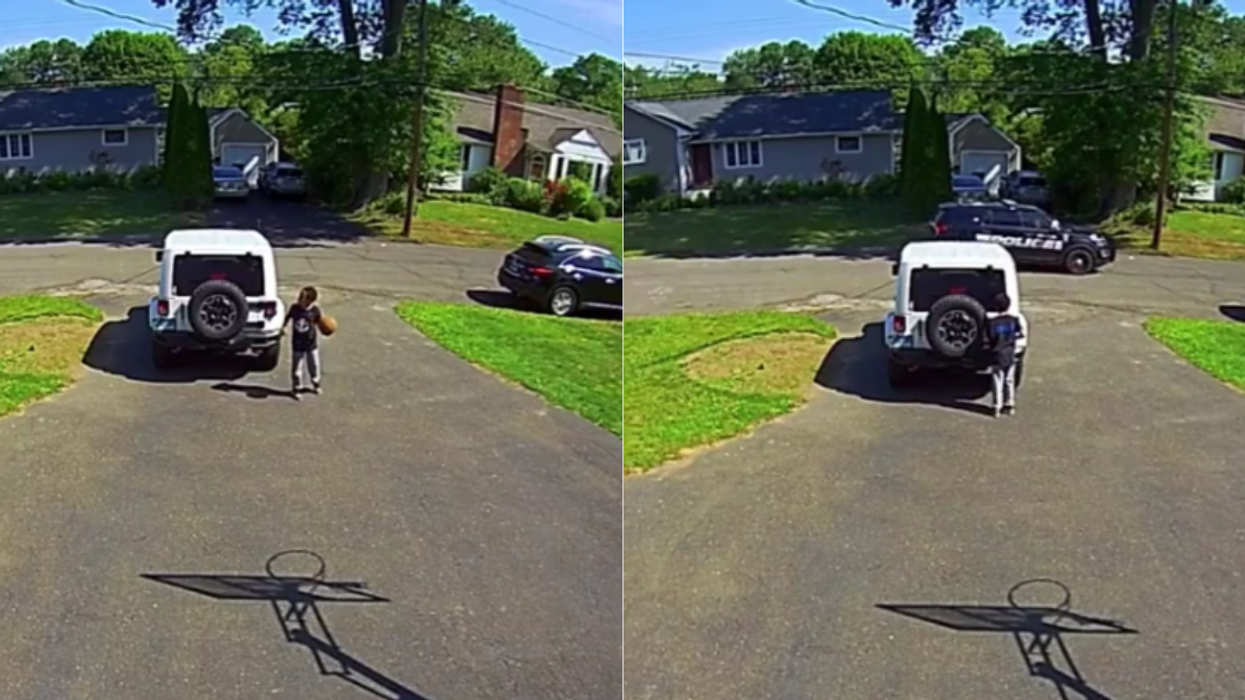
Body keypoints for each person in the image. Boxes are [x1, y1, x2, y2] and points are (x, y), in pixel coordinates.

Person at [986, 292, 1023, 417]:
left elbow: (989, 339)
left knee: (997, 380)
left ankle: (997, 407)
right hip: (1010, 353)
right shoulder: (1014, 320)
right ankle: (1010, 404)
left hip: (997, 354)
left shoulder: (992, 323)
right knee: (1009, 380)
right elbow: (1019, 333)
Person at [285, 286, 324, 399]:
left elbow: (319, 323)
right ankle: (297, 388)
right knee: (297, 368)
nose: (299, 299)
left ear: (310, 300)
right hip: (297, 343)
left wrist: (325, 329)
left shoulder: (315, 311)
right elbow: (287, 318)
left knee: (314, 365)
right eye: (300, 296)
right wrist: (284, 327)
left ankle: (316, 383)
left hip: (311, 343)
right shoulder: (295, 309)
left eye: (303, 297)